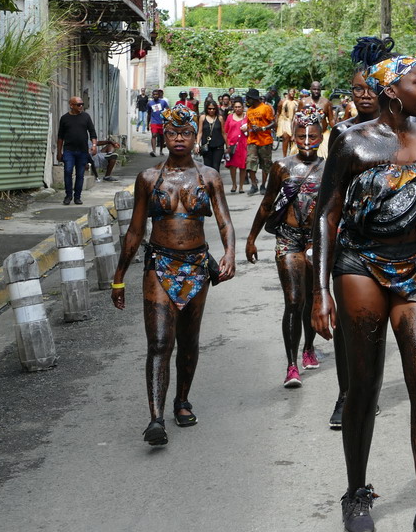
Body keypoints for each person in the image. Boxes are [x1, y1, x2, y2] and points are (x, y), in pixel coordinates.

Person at [311, 38, 416, 532]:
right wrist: (321, 291)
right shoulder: (353, 144)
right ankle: (356, 492)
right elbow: (327, 216)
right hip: (359, 266)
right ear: (392, 92)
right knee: (365, 385)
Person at [110, 106, 236, 445]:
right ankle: (156, 419)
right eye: (172, 133)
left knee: (189, 342)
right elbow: (135, 230)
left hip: (196, 266)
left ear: (196, 137)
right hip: (159, 264)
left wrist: (229, 253)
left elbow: (223, 220)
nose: (179, 138)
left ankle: (182, 400)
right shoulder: (149, 178)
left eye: (185, 133)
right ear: (164, 137)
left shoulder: (209, 176)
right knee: (160, 343)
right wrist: (119, 276)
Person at [321, 38, 385, 430]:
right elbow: (332, 198)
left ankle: (368, 392)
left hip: (397, 247)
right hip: (350, 244)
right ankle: (347, 395)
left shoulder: (408, 131)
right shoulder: (342, 133)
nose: (363, 95)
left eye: (370, 88)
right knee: (349, 327)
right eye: (357, 89)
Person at [246, 114, 325, 388]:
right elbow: (268, 203)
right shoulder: (281, 166)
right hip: (288, 239)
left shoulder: (329, 169)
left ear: (321, 136)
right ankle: (292, 365)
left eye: (312, 136)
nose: (306, 142)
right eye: (301, 136)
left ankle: (309, 348)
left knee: (312, 299)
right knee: (293, 301)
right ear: (292, 135)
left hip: (316, 243)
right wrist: (251, 238)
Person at [56, 96, 96, 206]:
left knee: (80, 174)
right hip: (69, 150)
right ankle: (68, 195)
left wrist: (94, 145)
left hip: (83, 151)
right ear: (71, 105)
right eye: (78, 105)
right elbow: (60, 137)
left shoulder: (86, 117)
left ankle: (77, 197)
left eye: (82, 104)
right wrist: (59, 152)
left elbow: (92, 133)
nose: (81, 106)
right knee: (68, 172)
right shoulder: (64, 118)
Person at [244, 88, 276, 195]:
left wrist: (262, 128)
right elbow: (248, 126)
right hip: (252, 140)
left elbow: (273, 123)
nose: (247, 100)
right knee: (250, 162)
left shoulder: (266, 108)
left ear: (254, 98)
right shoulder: (249, 111)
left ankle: (263, 185)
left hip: (265, 141)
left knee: (265, 164)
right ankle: (254, 185)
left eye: (248, 98)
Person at [224, 98, 249, 193]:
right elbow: (225, 131)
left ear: (243, 107)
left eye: (239, 107)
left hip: (243, 144)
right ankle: (234, 184)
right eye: (236, 107)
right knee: (232, 166)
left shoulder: (246, 117)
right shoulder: (230, 117)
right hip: (232, 144)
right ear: (233, 108)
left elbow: (251, 130)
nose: (238, 109)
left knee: (243, 166)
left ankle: (241, 186)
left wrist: (247, 129)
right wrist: (226, 145)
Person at [199, 100, 226, 171]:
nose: (211, 110)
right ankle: (208, 182)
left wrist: (228, 145)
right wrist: (197, 144)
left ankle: (216, 181)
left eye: (213, 109)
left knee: (216, 166)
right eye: (209, 108)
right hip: (207, 147)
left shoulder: (220, 118)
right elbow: (200, 132)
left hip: (218, 146)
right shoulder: (202, 117)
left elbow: (223, 132)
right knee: (207, 167)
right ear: (206, 109)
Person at [276, 89, 298, 157]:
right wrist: (277, 122)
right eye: (290, 91)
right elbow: (278, 112)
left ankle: (291, 155)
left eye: (293, 92)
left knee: (292, 139)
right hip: (284, 120)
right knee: (286, 137)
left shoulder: (296, 102)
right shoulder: (283, 102)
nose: (292, 93)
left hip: (293, 121)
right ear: (288, 93)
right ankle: (284, 156)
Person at [147, 89, 169, 157]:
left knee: (162, 137)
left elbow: (168, 110)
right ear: (152, 95)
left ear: (159, 95)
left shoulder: (163, 102)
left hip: (161, 122)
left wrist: (167, 119)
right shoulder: (150, 103)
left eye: (156, 94)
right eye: (154, 94)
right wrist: (148, 124)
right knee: (154, 135)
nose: (155, 95)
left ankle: (161, 151)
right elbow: (149, 114)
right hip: (154, 122)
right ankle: (153, 151)